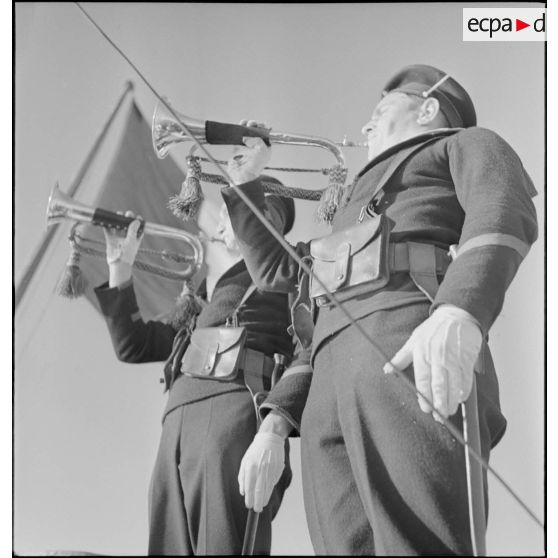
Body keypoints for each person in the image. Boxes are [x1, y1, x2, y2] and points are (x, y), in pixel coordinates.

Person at [222, 64, 539, 555]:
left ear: (428, 108)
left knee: (422, 542)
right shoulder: (349, 207)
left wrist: (460, 309)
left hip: (408, 338)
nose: (366, 126)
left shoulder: (458, 144)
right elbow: (280, 275)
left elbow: (501, 206)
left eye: (381, 110)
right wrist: (246, 185)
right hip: (327, 386)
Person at [94, 191, 296, 555]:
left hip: (232, 415)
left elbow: (308, 352)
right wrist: (119, 266)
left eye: (229, 215)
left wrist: (275, 428)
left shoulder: (288, 273)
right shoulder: (204, 299)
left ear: (267, 223)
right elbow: (133, 344)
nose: (216, 225)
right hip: (176, 424)